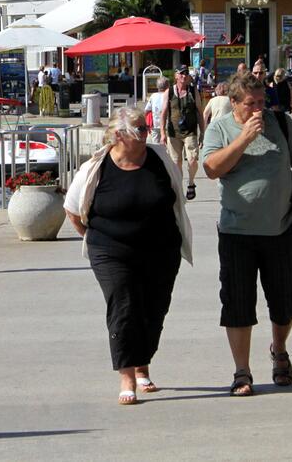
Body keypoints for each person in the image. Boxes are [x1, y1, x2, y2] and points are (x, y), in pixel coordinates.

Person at [63, 106, 193, 405]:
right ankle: (127, 375)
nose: (146, 135)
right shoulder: (96, 167)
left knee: (153, 310)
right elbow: (72, 210)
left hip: (161, 249)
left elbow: (176, 199)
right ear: (119, 135)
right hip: (111, 250)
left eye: (147, 129)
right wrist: (94, 240)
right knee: (123, 306)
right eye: (140, 131)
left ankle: (143, 363)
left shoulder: (159, 159)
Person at [201, 72, 292, 397]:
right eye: (251, 103)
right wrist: (244, 139)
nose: (258, 109)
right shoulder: (220, 128)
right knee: (237, 302)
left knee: (287, 299)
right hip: (237, 231)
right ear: (234, 103)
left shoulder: (281, 123)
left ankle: (279, 350)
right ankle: (242, 371)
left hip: (280, 230)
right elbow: (211, 169)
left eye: (262, 102)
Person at [160, 65, 202, 200]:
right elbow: (163, 113)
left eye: (186, 74)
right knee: (176, 162)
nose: (184, 76)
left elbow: (200, 112)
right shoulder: (169, 92)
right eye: (181, 73)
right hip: (173, 132)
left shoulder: (193, 90)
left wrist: (203, 133)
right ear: (176, 76)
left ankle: (191, 183)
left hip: (190, 131)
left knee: (193, 159)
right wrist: (162, 133)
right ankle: (178, 187)